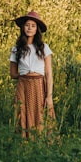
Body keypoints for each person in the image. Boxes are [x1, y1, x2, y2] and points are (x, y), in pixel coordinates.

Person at [9, 10, 54, 140]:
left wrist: (49, 96)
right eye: (27, 25)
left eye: (33, 26)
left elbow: (48, 73)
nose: (29, 28)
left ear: (36, 29)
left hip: (39, 85)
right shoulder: (16, 49)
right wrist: (25, 74)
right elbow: (12, 73)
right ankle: (24, 145)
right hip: (23, 86)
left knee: (40, 115)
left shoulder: (43, 47)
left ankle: (40, 145)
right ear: (23, 27)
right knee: (22, 114)